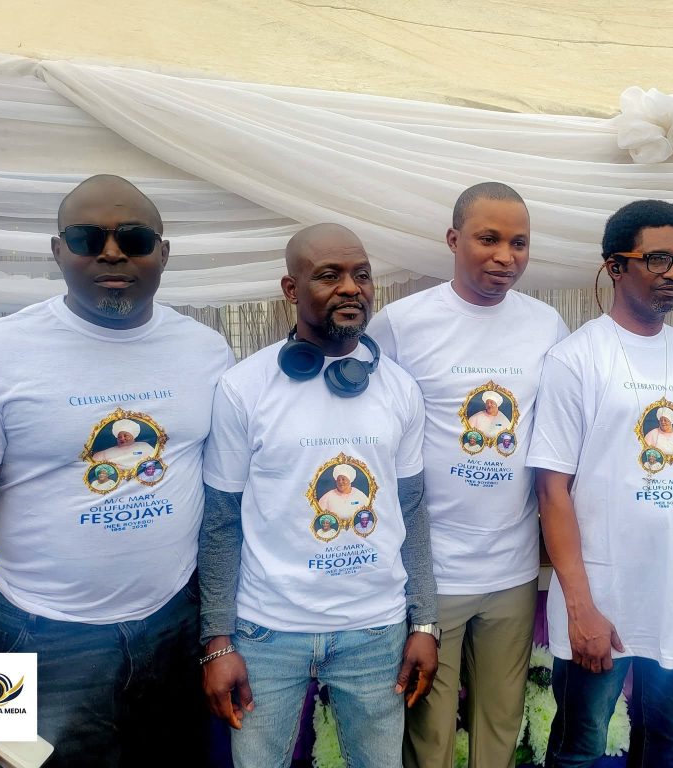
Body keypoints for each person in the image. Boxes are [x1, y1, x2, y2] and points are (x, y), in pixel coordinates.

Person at [0, 175, 233, 768]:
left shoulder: (206, 350)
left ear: (163, 252)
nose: (112, 253)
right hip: (35, 635)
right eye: (88, 238)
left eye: (134, 238)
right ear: (58, 250)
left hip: (176, 620)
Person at [198, 223, 439, 768]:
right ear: (291, 289)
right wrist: (218, 640)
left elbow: (411, 509)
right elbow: (220, 521)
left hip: (376, 629)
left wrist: (424, 622)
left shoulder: (400, 389)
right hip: (266, 630)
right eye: (329, 275)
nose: (351, 287)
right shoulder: (244, 387)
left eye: (362, 275)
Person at [528, 199, 673, 768]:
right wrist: (580, 608)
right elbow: (552, 492)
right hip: (605, 600)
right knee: (579, 747)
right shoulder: (575, 359)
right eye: (657, 259)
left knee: (666, 745)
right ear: (614, 266)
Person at [368, 182, 570, 768]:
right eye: (489, 239)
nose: (505, 256)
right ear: (454, 240)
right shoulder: (402, 324)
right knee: (428, 734)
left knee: (499, 724)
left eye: (519, 243)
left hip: (513, 567)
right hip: (432, 571)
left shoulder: (546, 324)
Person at [91, 417, 156, 468]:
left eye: (126, 436)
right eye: (119, 437)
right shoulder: (106, 452)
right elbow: (95, 461)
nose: (122, 438)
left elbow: (153, 460)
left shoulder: (144, 446)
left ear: (133, 437)